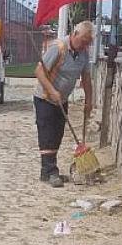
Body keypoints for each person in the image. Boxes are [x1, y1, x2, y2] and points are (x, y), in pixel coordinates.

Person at [34, 20, 95, 188]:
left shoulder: (83, 54)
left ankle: (48, 172)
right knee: (47, 133)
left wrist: (89, 101)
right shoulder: (59, 47)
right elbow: (39, 70)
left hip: (62, 99)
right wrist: (52, 91)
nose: (85, 46)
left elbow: (87, 79)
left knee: (58, 134)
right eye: (83, 41)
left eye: (88, 43)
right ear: (74, 34)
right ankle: (50, 171)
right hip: (45, 98)